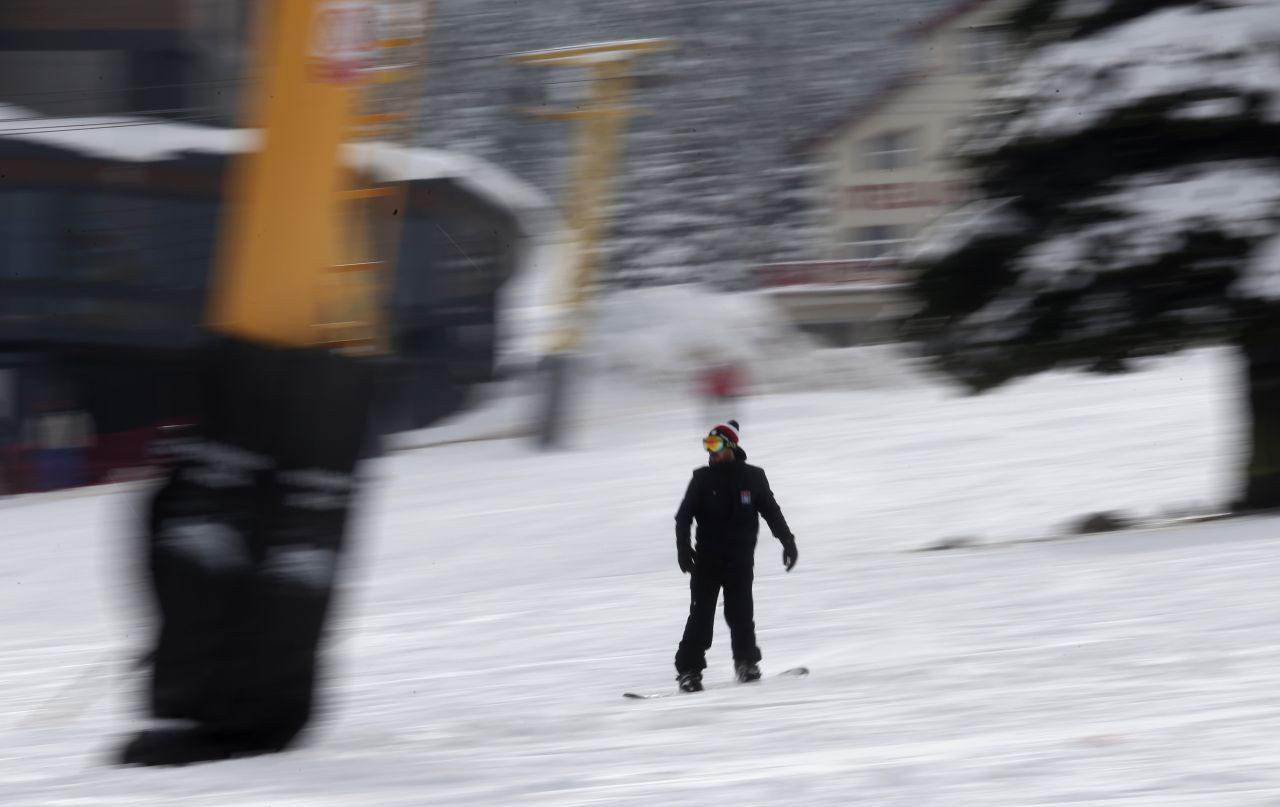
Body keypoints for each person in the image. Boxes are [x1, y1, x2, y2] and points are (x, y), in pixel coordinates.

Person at [673, 420, 797, 692]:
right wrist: (684, 549)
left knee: (741, 614)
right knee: (701, 616)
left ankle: (746, 663)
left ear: (730, 447)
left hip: (740, 560)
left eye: (715, 445)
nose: (710, 452)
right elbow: (684, 517)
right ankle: (689, 671)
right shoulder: (702, 479)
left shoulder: (753, 477)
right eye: (707, 445)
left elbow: (771, 511)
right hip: (707, 561)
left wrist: (787, 541)